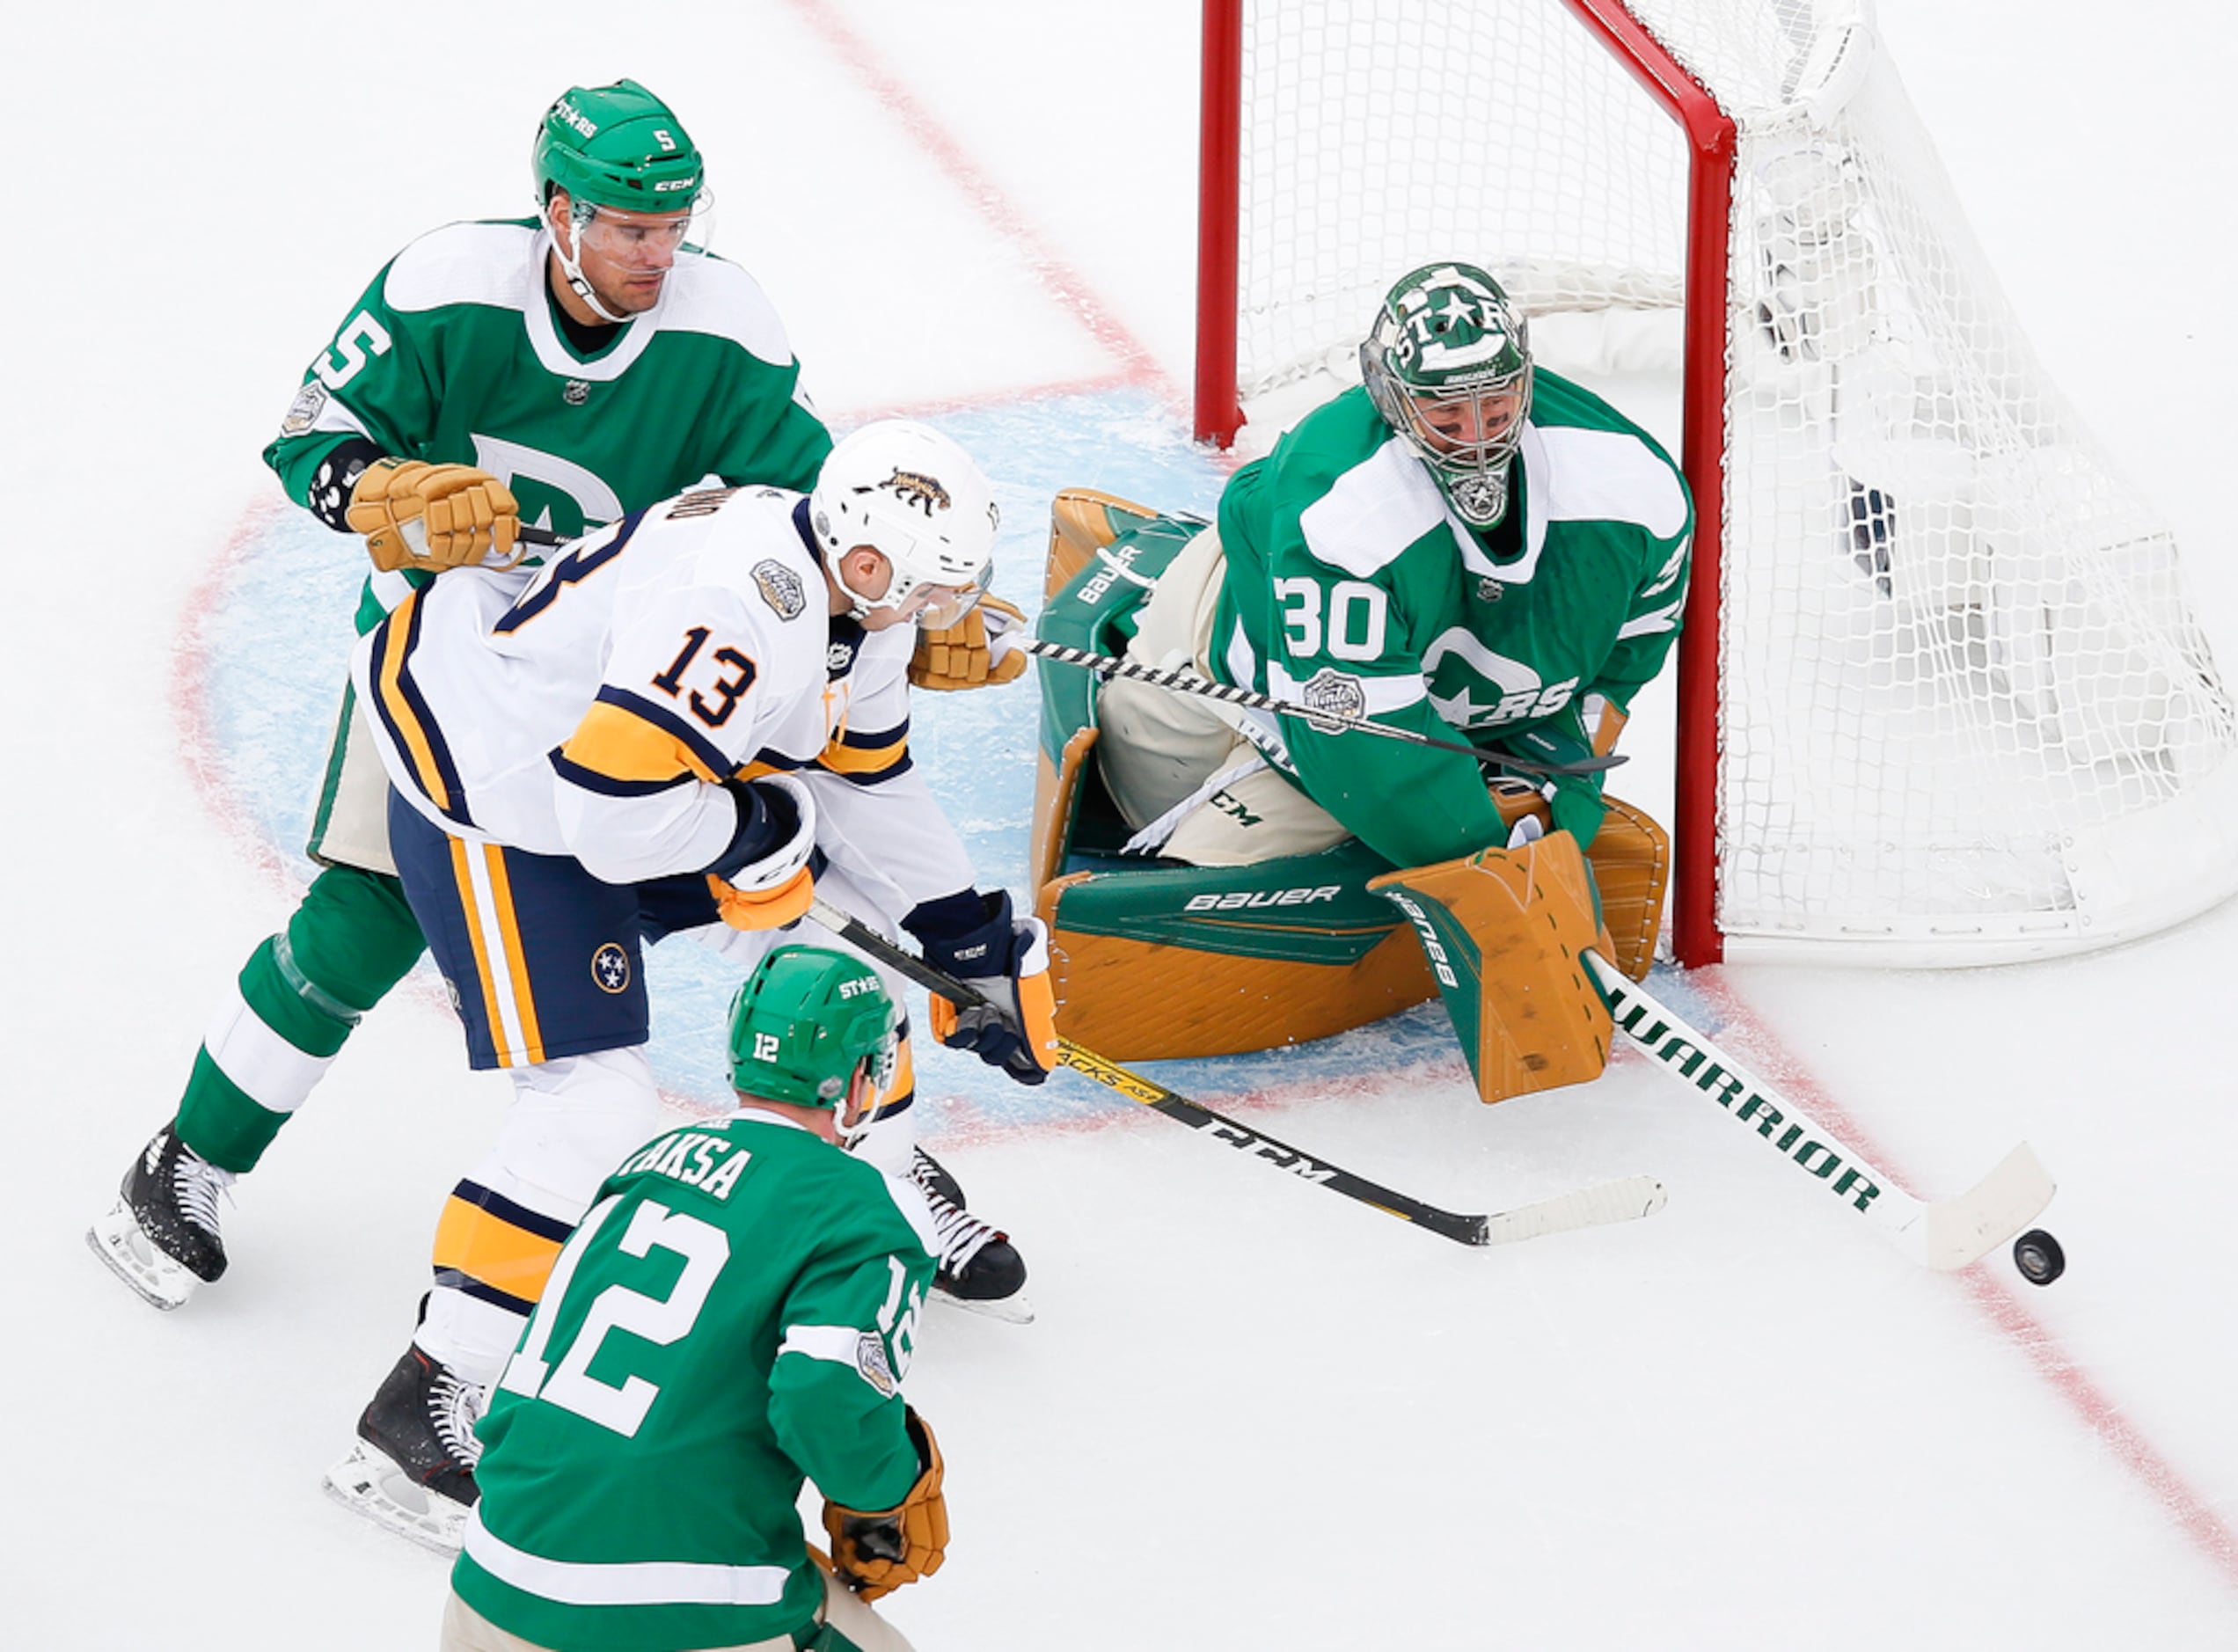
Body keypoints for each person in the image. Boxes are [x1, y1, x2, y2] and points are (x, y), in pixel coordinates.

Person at [91, 78, 834, 1313]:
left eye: (674, 226)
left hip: (604, 675)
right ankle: (189, 1159)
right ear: (558, 212)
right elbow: (308, 442)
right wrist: (379, 494)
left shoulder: (726, 323)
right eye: (632, 228)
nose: (663, 253)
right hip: (434, 664)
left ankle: (874, 1184)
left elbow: (802, 507)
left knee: (771, 871)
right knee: (367, 916)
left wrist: (899, 580)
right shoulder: (446, 288)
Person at [325, 419, 1056, 1548]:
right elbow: (611, 817)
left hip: (617, 778)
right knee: (595, 1102)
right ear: (868, 565)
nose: (943, 613)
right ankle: (431, 1392)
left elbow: (868, 784)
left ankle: (892, 1177)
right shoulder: (743, 604)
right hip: (498, 783)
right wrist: (751, 827)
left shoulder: (850, 603)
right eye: (934, 588)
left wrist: (965, 936)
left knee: (852, 946)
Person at [1093, 259, 1692, 873]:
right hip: (1248, 647)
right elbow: (1358, 750)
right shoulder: (1343, 512)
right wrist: (1486, 860)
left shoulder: (1636, 490)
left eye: (1495, 405)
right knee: (1144, 794)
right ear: (1390, 397)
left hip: (1417, 676)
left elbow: (1626, 660)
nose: (1476, 439)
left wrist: (1563, 765)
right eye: (1446, 414)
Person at [443, 943, 943, 1652]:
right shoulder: (863, 1209)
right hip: (668, 1604)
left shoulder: (646, 1164)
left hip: (491, 1575)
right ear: (862, 1076)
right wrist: (881, 1496)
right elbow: (824, 1396)